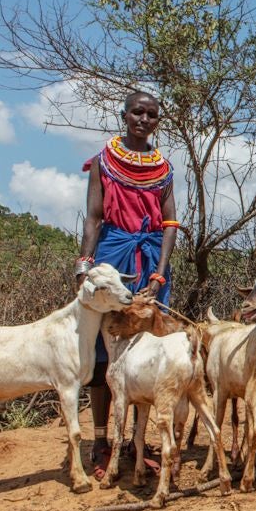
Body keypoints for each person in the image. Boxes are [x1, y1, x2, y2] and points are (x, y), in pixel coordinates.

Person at [76, 90, 179, 481]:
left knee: (147, 351)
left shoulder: (163, 169)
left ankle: (136, 441)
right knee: (106, 353)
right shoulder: (104, 161)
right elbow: (94, 216)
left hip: (151, 259)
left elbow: (170, 224)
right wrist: (86, 264)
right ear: (124, 114)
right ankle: (102, 442)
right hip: (113, 257)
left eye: (152, 115)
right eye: (138, 112)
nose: (144, 119)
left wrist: (160, 274)